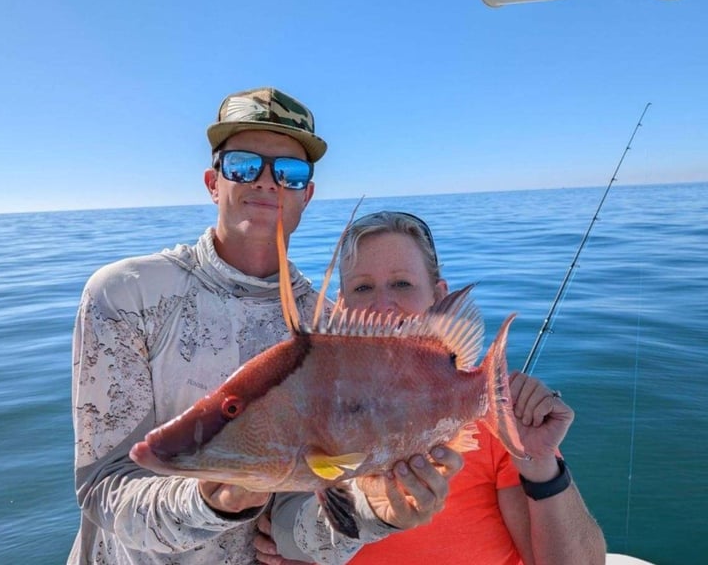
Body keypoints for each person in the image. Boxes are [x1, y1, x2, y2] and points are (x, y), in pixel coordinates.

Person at [68, 88, 462, 565]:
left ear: (307, 194)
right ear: (214, 182)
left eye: (291, 173)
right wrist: (209, 501)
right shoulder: (127, 294)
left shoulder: (331, 331)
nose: (267, 182)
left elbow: (306, 505)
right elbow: (102, 490)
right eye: (243, 166)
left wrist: (374, 513)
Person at [261, 211, 606, 564]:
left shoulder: (491, 413)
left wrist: (540, 462)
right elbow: (280, 532)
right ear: (342, 305)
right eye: (363, 288)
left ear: (438, 296)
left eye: (402, 284)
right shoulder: (312, 404)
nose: (381, 306)